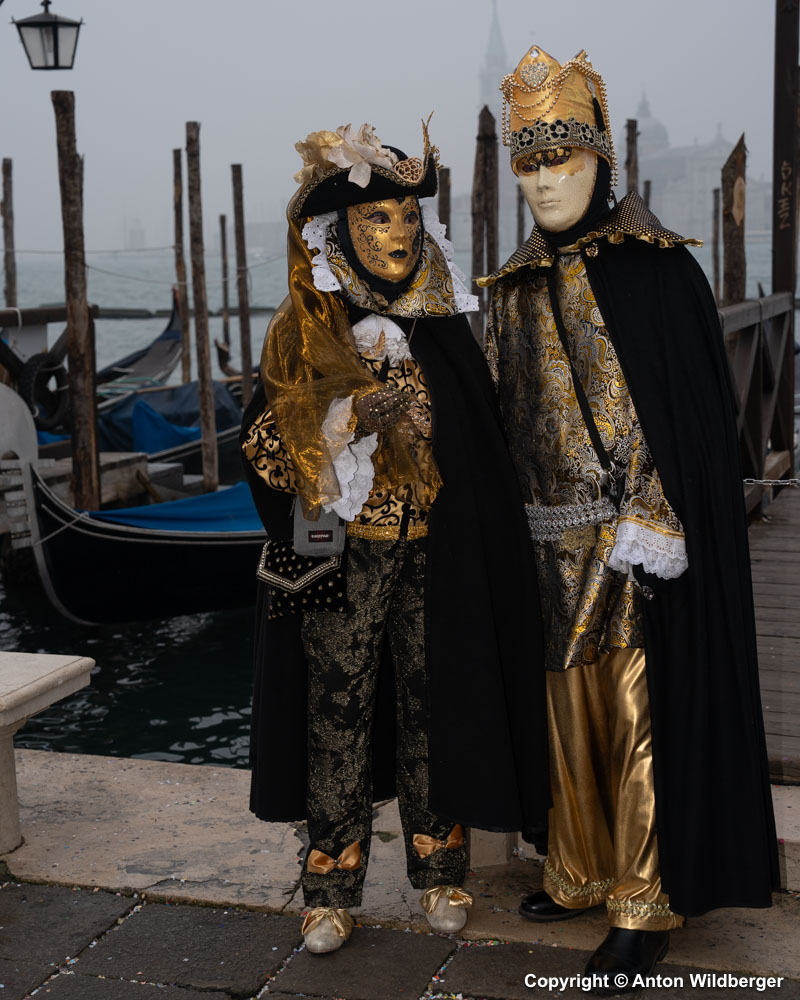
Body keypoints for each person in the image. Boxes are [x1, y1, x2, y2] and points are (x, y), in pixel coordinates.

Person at [480, 44, 779, 992]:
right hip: (543, 546)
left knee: (639, 722)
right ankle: (578, 868)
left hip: (633, 546)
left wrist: (652, 518)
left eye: (559, 158)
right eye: (527, 162)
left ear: (601, 157)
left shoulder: (660, 273)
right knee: (569, 722)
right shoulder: (508, 288)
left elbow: (691, 419)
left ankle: (645, 901)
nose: (543, 180)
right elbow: (500, 413)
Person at [241, 121, 549, 954]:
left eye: (409, 216)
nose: (399, 232)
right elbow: (265, 444)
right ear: (341, 230)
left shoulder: (442, 323)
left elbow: (480, 441)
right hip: (339, 551)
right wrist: (353, 417)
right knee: (336, 712)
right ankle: (329, 886)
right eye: (378, 217)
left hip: (437, 549)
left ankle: (440, 868)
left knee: (434, 702)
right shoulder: (304, 326)